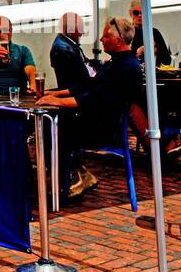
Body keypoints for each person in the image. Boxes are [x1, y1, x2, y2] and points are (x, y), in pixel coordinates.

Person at [38, 16, 146, 197]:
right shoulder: (117, 62)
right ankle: (75, 174)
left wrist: (58, 102)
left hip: (105, 129)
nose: (101, 40)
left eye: (106, 36)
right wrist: (56, 94)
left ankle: (70, 177)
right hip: (97, 120)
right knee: (53, 124)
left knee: (53, 127)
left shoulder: (126, 67)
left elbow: (93, 98)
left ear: (118, 40)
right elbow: (88, 85)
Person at [49, 12, 94, 97]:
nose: (82, 33)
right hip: (75, 96)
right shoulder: (64, 50)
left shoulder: (68, 44)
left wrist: (102, 63)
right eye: (80, 28)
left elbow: (85, 62)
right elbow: (83, 79)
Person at [129, 0, 172, 68]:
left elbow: (167, 60)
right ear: (130, 13)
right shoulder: (126, 33)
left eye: (142, 12)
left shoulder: (154, 33)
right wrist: (137, 53)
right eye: (136, 13)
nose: (139, 15)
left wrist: (154, 53)